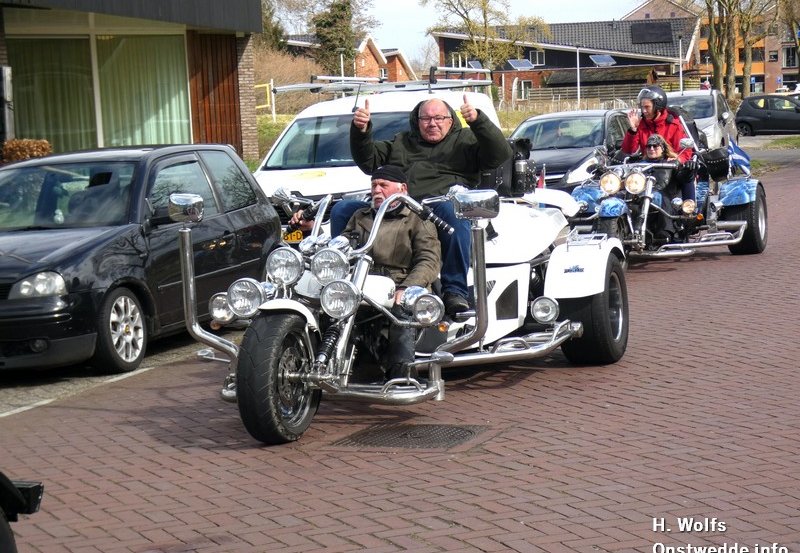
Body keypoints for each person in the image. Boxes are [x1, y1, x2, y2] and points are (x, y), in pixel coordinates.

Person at [346, 94, 512, 316]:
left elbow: (500, 154)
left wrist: (477, 121)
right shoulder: (401, 141)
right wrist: (361, 131)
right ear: (417, 121)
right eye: (426, 119)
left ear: (451, 120)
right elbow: (369, 162)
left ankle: (455, 291)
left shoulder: (465, 139)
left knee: (455, 215)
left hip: (441, 204)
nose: (432, 123)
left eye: (439, 118)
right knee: (343, 209)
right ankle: (343, 278)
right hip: (400, 204)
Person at [340, 165, 441, 381]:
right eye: (374, 185)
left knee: (401, 312)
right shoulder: (361, 216)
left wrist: (407, 287)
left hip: (401, 282)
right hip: (365, 281)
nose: (377, 191)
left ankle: (402, 376)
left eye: (383, 185)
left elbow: (429, 260)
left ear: (402, 188)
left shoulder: (418, 218)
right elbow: (344, 246)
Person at [622, 85, 694, 164]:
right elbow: (628, 150)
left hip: (669, 169)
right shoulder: (641, 125)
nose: (644, 111)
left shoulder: (673, 125)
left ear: (658, 107)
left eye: (647, 107)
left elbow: (685, 153)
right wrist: (633, 130)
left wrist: (677, 160)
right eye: (642, 107)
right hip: (647, 169)